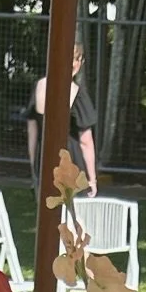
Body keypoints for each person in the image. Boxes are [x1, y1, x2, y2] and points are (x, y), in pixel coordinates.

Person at [26, 43, 98, 196]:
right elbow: (86, 142)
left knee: (46, 213)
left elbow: (32, 132)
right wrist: (92, 179)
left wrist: (34, 169)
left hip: (43, 159)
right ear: (78, 62)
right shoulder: (77, 93)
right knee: (73, 216)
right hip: (70, 163)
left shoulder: (39, 86)